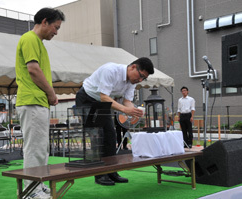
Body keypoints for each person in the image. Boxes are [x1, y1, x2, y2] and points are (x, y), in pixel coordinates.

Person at [76, 57, 154, 186]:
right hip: (86, 99)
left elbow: (127, 102)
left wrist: (134, 111)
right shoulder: (111, 70)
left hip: (103, 102)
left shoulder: (132, 82)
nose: (140, 80)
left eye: (143, 79)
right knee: (97, 135)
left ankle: (112, 171)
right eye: (140, 76)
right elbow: (104, 96)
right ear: (133, 67)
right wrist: (125, 110)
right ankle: (100, 174)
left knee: (111, 136)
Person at [15, 8, 65, 199]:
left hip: (37, 101)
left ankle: (38, 184)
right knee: (35, 147)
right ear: (45, 22)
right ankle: (31, 191)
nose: (56, 32)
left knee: (41, 147)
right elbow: (33, 70)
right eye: (56, 27)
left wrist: (49, 96)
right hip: (32, 100)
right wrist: (51, 93)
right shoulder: (29, 39)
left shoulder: (38, 43)